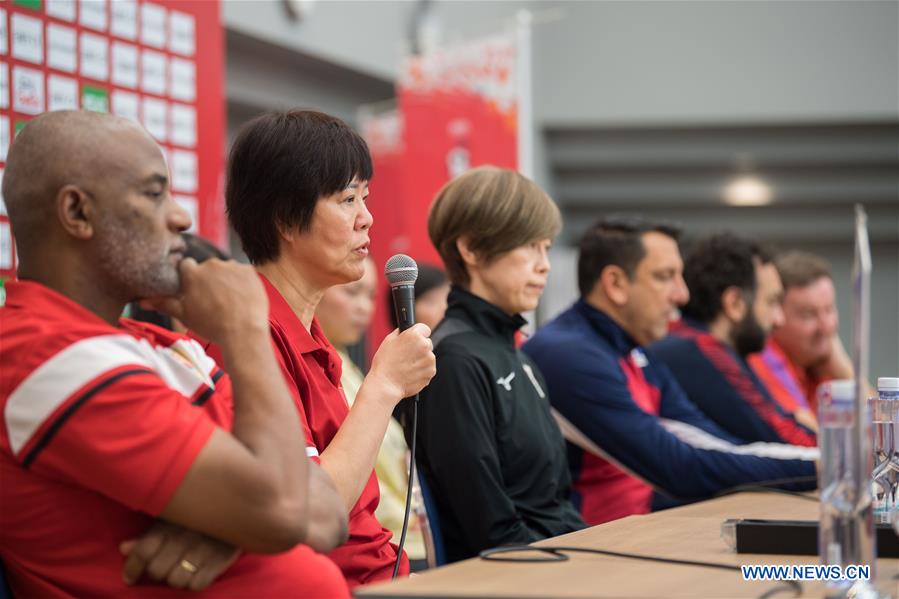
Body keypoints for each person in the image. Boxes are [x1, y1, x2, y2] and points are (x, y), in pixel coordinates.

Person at [0, 111, 350, 597]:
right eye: (153, 193)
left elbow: (329, 512)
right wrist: (245, 326)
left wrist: (228, 524)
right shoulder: (42, 354)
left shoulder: (163, 346)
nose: (181, 218)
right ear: (77, 213)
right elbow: (288, 508)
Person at [209, 110, 436, 586]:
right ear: (286, 220)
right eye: (347, 199)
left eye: (366, 198)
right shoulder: (247, 333)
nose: (366, 219)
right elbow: (313, 508)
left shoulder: (310, 334)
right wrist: (385, 384)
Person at [522, 217, 817, 526]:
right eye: (665, 277)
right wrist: (827, 468)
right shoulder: (568, 355)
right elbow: (678, 468)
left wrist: (831, 464)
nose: (682, 295)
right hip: (584, 552)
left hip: (628, 538)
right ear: (616, 284)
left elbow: (714, 444)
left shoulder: (634, 352)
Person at [405, 166, 586, 564]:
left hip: (564, 558)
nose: (545, 265)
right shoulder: (452, 361)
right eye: (530, 247)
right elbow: (495, 534)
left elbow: (552, 505)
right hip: (520, 576)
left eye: (547, 247)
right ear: (470, 249)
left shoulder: (516, 356)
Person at [315, 258, 429, 568]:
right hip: (374, 541)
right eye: (352, 293)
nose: (364, 307)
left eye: (370, 296)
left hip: (404, 539)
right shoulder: (324, 367)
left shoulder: (350, 367)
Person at [651, 233, 817, 444]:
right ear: (735, 303)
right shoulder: (702, 350)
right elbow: (784, 437)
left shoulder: (697, 343)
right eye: (772, 302)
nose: (779, 319)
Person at [748, 251, 852, 418]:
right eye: (808, 315)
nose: (826, 327)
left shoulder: (823, 363)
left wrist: (847, 372)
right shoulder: (763, 359)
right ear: (777, 316)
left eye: (829, 309)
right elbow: (812, 435)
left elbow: (877, 432)